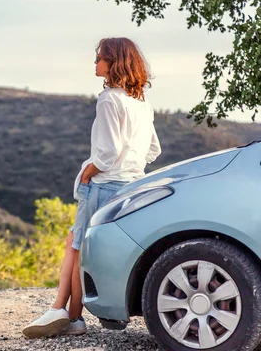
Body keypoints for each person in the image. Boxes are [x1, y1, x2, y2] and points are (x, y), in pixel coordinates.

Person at [22, 37, 162, 339]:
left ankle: (65, 313)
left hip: (102, 184)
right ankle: (67, 314)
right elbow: (153, 150)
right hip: (129, 184)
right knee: (78, 244)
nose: (95, 63)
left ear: (115, 63)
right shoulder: (141, 103)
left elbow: (108, 152)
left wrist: (89, 171)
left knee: (77, 246)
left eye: (100, 58)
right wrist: (132, 167)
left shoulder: (109, 99)